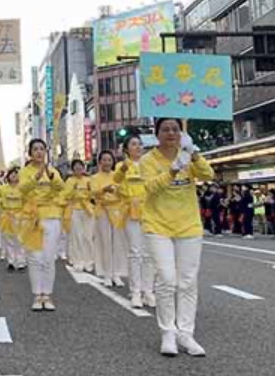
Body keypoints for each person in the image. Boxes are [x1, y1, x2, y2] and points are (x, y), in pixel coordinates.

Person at [140, 118, 214, 358]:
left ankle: (186, 333)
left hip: (189, 226)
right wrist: (172, 170)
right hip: (158, 225)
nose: (171, 133)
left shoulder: (187, 155)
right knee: (166, 279)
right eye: (165, 129)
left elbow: (208, 174)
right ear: (157, 134)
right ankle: (168, 333)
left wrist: (193, 155)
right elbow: (151, 188)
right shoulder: (147, 161)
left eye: (175, 129)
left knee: (187, 281)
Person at [19, 139, 65, 312]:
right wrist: (35, 177)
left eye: (41, 149)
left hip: (52, 216)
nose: (39, 152)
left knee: (48, 258)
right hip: (32, 218)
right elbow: (22, 190)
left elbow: (60, 188)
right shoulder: (25, 172)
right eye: (35, 149)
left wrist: (50, 177)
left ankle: (47, 294)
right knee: (35, 258)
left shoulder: (52, 171)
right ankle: (37, 295)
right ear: (30, 153)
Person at [114, 135, 156, 309]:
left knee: (149, 254)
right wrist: (124, 169)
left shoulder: (150, 165)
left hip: (150, 212)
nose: (138, 147)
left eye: (140, 144)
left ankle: (148, 291)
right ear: (126, 148)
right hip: (131, 212)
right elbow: (118, 184)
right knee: (135, 252)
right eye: (133, 144)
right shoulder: (122, 166)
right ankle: (136, 292)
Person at [91, 150, 127, 288]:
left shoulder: (117, 176)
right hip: (103, 211)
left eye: (109, 160)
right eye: (104, 160)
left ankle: (116, 273)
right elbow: (93, 193)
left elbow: (123, 191)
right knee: (105, 242)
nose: (107, 162)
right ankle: (106, 273)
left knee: (118, 243)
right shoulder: (94, 177)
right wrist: (103, 190)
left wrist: (116, 191)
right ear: (99, 162)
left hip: (117, 211)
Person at [62, 159, 95, 274]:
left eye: (80, 167)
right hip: (74, 210)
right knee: (77, 236)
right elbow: (65, 196)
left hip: (87, 209)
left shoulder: (88, 180)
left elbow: (93, 195)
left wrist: (90, 191)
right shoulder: (70, 181)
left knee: (88, 236)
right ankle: (78, 260)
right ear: (72, 169)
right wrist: (73, 189)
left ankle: (89, 261)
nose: (78, 170)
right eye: (76, 168)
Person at [0, 168, 26, 271]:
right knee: (9, 239)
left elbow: (27, 202)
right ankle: (11, 262)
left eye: (16, 174)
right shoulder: (3, 189)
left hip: (19, 216)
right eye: (12, 174)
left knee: (20, 240)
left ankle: (21, 261)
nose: (14, 176)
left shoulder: (22, 188)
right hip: (7, 215)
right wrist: (0, 201)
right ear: (8, 176)